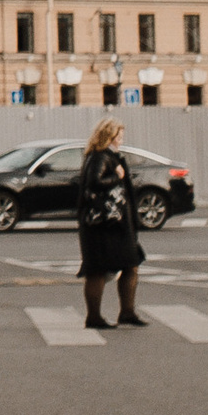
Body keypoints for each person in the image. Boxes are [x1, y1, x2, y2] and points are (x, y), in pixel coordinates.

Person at [77, 118, 144, 329]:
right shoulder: (100, 157)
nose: (122, 140)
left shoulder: (107, 156)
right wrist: (117, 177)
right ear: (109, 136)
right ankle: (94, 317)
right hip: (104, 226)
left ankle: (127, 311)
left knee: (130, 264)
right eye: (119, 136)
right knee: (97, 269)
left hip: (116, 225)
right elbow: (93, 183)